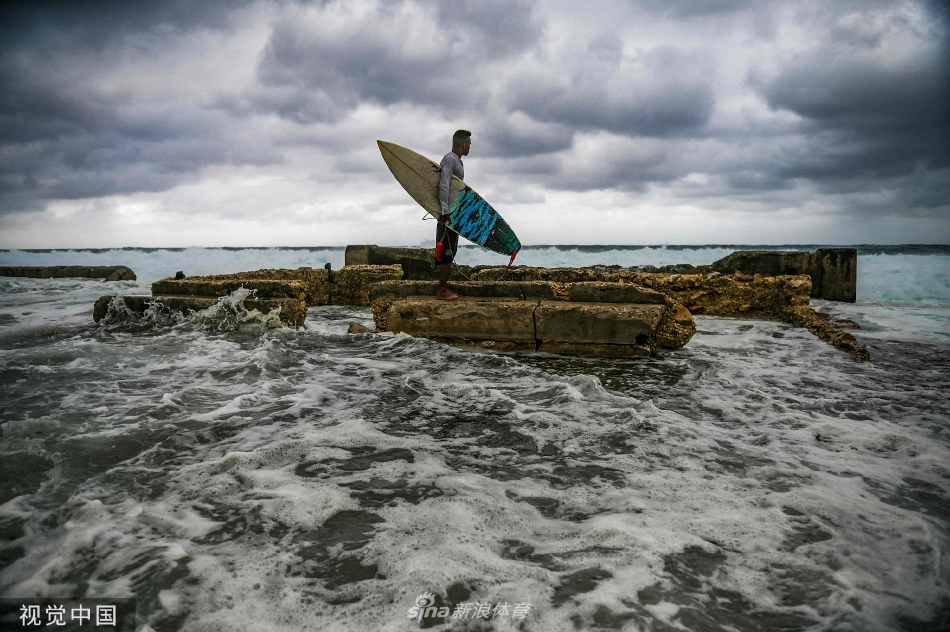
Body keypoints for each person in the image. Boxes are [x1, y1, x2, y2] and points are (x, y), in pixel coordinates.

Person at [435, 130, 471, 300]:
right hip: (448, 215)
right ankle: (442, 291)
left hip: (454, 214)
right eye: (469, 144)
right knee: (446, 252)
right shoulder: (450, 159)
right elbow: (444, 184)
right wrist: (444, 211)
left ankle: (444, 289)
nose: (469, 147)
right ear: (463, 144)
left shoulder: (457, 161)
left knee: (451, 250)